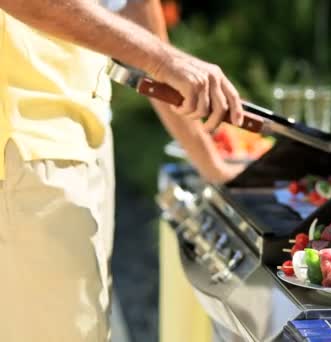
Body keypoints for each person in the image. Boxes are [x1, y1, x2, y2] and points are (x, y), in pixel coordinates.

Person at [0, 1, 245, 341]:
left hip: (84, 142)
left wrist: (212, 165)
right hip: (22, 148)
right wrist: (164, 60)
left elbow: (135, 9)